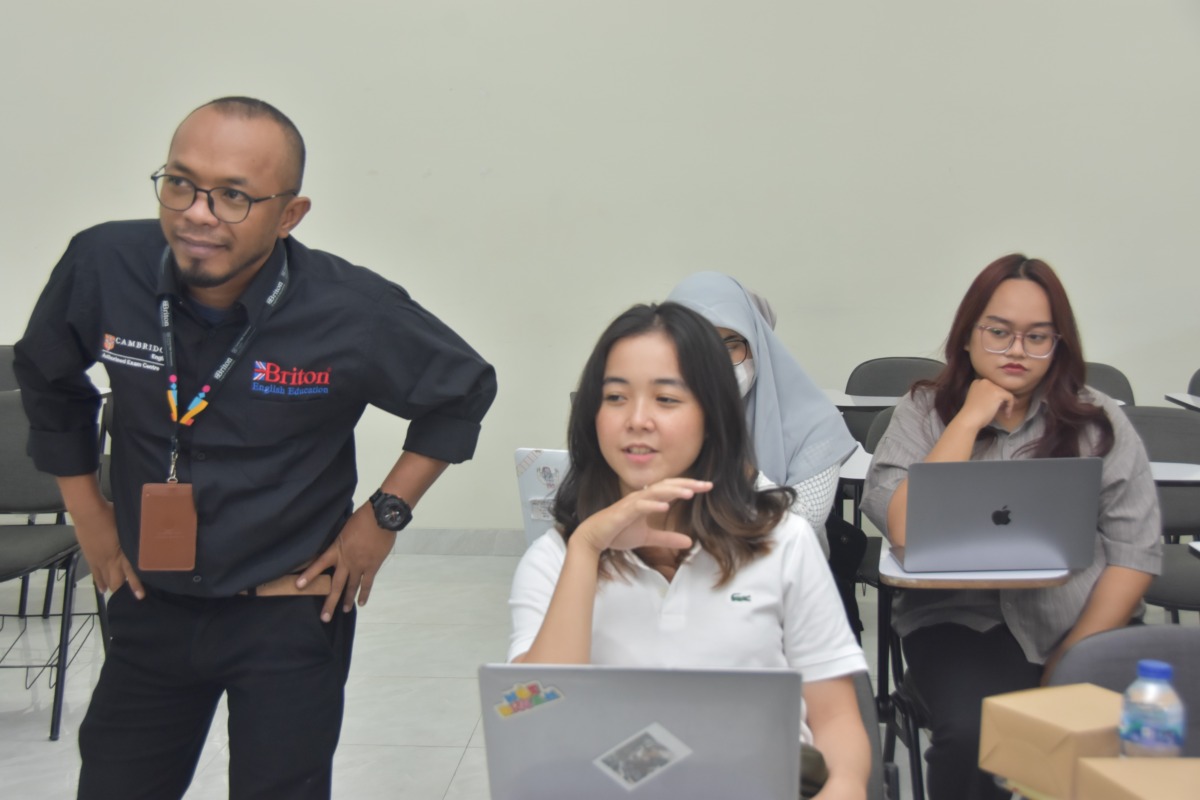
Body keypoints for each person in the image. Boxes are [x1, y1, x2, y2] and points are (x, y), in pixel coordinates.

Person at [13, 97, 497, 799]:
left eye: (233, 196)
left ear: (289, 214)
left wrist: (383, 517)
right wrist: (88, 513)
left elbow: (462, 390)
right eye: (180, 183)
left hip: (288, 609)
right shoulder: (104, 264)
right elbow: (47, 377)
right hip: (152, 598)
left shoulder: (351, 310)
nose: (198, 213)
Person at [508, 302, 870, 800]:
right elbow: (530, 718)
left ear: (712, 416)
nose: (637, 420)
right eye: (615, 397)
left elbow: (835, 718)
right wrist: (587, 549)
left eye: (666, 398)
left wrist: (845, 786)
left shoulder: (782, 541)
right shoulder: (556, 558)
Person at [862, 254, 1162, 800]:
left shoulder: (1097, 419)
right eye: (999, 333)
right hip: (961, 620)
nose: (1017, 351)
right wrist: (968, 419)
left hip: (1081, 617)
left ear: (1059, 345)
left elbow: (1134, 552)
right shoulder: (922, 411)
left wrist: (1075, 655)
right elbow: (905, 527)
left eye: (1037, 337)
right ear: (968, 334)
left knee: (1143, 732)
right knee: (976, 735)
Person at [667, 272, 858, 555]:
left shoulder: (815, 423)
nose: (717, 363)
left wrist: (727, 459)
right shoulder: (648, 420)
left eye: (731, 345)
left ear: (757, 345)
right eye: (699, 348)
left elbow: (803, 526)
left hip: (783, 574)